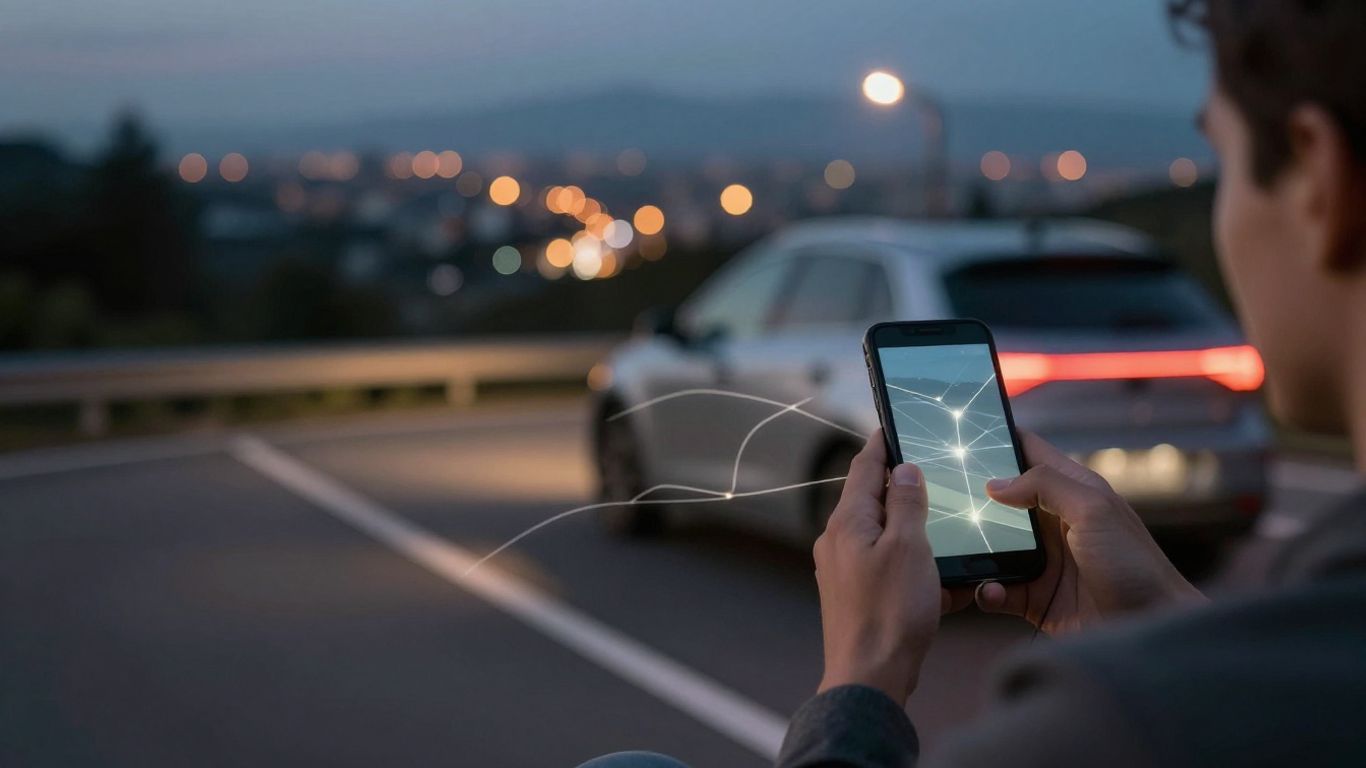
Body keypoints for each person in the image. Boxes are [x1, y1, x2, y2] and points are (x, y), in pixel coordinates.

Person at [582, 0, 1366, 765]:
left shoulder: (1116, 725)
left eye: (1222, 161)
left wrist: (860, 682)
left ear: (1317, 178)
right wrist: (1172, 620)